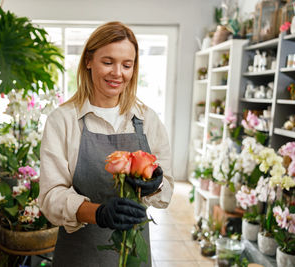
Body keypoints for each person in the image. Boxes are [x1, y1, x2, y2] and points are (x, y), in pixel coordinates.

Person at [39, 21, 174, 267]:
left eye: (127, 65)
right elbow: (50, 196)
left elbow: (166, 193)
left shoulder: (147, 119)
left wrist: (155, 184)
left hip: (134, 255)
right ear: (88, 61)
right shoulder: (63, 120)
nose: (117, 73)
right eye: (108, 62)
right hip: (79, 255)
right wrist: (98, 213)